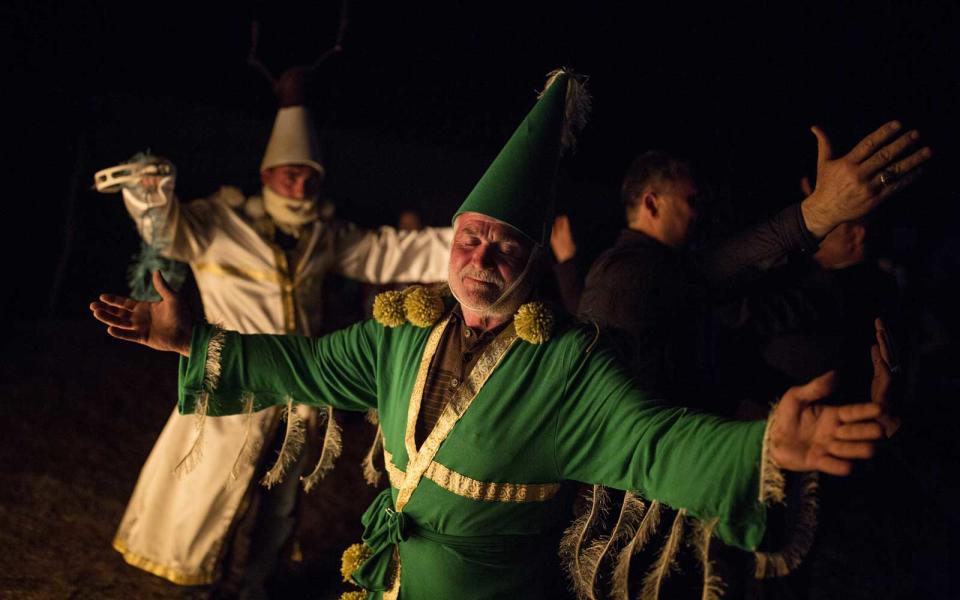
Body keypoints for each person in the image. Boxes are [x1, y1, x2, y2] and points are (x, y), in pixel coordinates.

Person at [90, 69, 894, 600]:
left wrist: (761, 450)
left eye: (506, 244)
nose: (482, 256)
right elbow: (301, 364)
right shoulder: (397, 336)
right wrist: (191, 342)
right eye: (470, 237)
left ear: (534, 261)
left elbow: (656, 446)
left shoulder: (572, 366)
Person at [99, 69, 453, 594]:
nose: (301, 185)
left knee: (283, 504)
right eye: (290, 174)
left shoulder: (322, 235)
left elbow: (389, 251)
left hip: (299, 396)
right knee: (210, 496)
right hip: (230, 389)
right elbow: (164, 230)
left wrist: (472, 241)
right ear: (266, 176)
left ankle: (256, 586)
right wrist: (148, 190)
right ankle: (203, 584)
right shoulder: (220, 223)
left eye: (310, 176)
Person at [579, 127, 929, 411]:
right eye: (690, 201)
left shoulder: (656, 269)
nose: (696, 212)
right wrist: (820, 212)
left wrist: (819, 213)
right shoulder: (629, 275)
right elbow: (715, 272)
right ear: (652, 203)